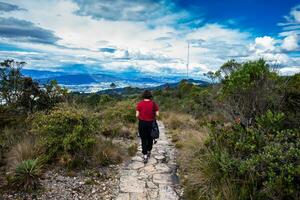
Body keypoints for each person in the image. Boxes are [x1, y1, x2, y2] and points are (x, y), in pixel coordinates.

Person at [136, 90, 159, 164]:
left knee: (143, 139)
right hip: (151, 123)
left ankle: (145, 155)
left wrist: (142, 116)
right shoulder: (153, 104)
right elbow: (157, 114)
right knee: (150, 138)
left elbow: (137, 115)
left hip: (142, 123)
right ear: (150, 96)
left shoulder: (139, 104)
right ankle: (149, 150)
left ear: (143, 96)